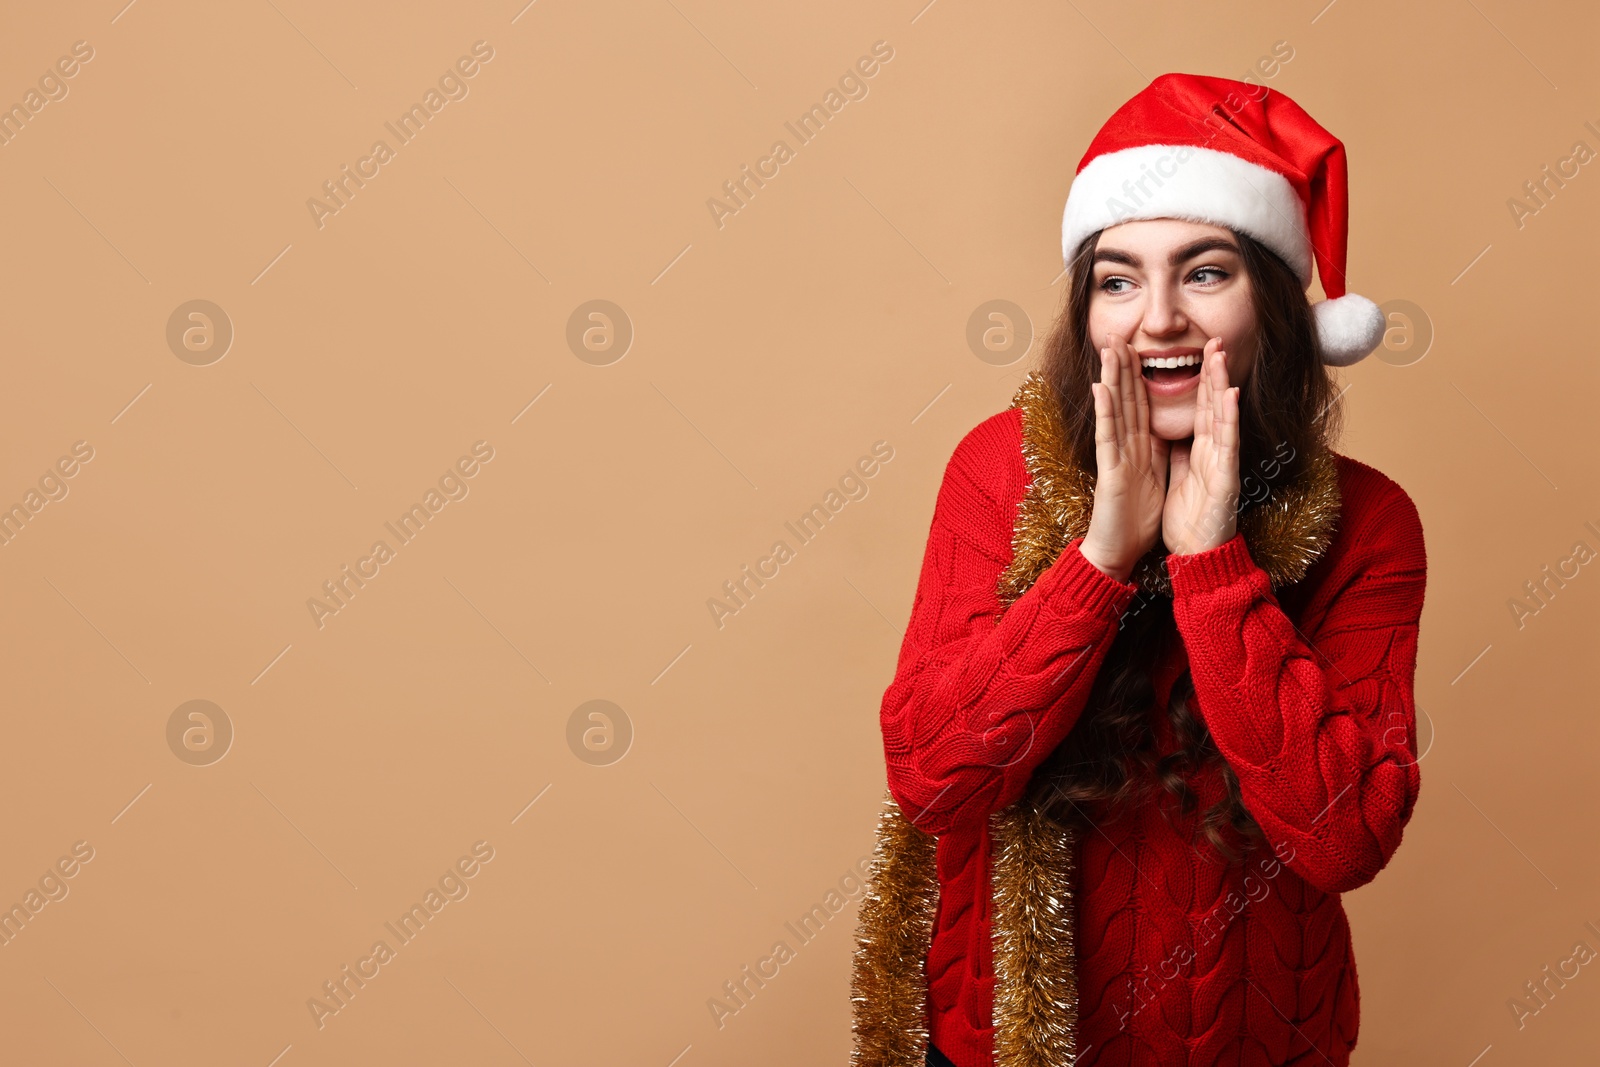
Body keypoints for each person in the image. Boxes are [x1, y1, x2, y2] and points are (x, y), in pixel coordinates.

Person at [850, 73, 1428, 1067]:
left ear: (1275, 308)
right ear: (1087, 312)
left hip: (1253, 1040)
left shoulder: (1368, 522)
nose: (1157, 317)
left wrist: (1211, 564)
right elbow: (932, 777)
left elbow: (1345, 838)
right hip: (998, 1043)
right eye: (1117, 279)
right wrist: (1099, 556)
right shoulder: (997, 469)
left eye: (1204, 273)